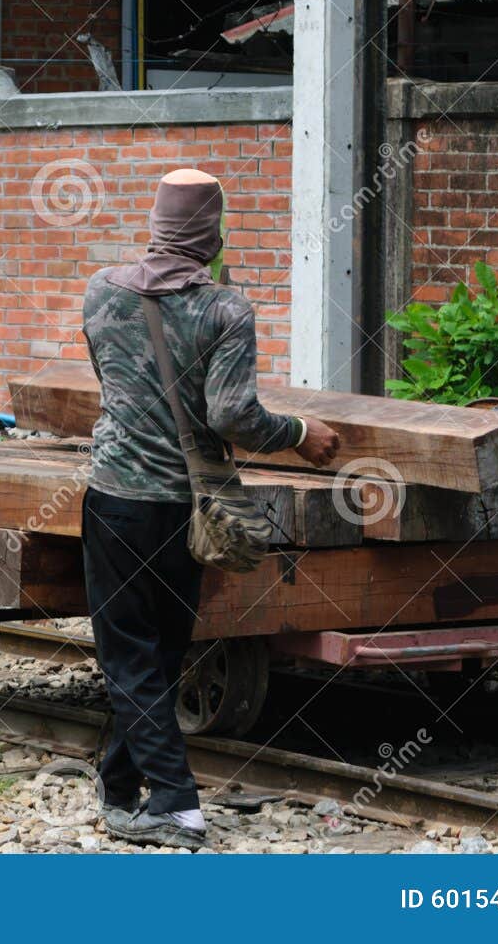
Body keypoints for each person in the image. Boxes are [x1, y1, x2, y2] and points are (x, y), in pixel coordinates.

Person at [80, 169, 341, 848]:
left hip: (114, 500)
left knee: (132, 656)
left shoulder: (102, 290)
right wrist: (304, 435)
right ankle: (133, 793)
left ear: (158, 222)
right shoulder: (227, 309)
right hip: (187, 511)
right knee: (161, 654)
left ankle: (168, 803)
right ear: (212, 233)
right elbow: (233, 414)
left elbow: (109, 381)